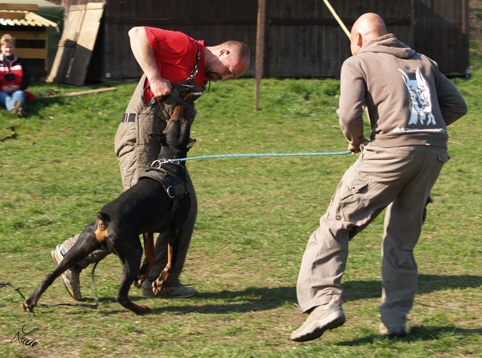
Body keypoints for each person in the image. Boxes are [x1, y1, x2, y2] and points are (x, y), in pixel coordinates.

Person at [290, 13, 467, 342]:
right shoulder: (424, 61)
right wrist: (421, 131)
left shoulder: (357, 62)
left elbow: (348, 113)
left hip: (388, 154)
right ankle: (395, 319)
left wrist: (356, 140)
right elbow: (456, 105)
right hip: (432, 155)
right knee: (401, 240)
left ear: (357, 39)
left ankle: (322, 303)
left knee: (335, 225)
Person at [50, 26, 250, 300]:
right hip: (139, 137)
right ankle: (71, 255)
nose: (226, 78)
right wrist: (154, 77)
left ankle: (160, 281)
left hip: (166, 149)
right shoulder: (186, 46)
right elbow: (136, 34)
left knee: (184, 207)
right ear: (224, 52)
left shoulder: (203, 73)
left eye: (232, 77)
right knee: (135, 214)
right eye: (230, 70)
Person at [0, 34, 30, 117]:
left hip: (16, 89)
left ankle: (15, 109)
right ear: (1, 48)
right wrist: (2, 87)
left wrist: (18, 86)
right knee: (5, 98)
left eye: (10, 47)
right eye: (6, 47)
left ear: (14, 48)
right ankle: (19, 109)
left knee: (19, 94)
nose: (8, 49)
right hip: (1, 90)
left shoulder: (21, 62)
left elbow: (27, 79)